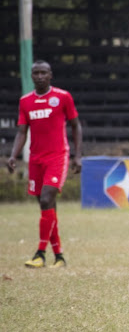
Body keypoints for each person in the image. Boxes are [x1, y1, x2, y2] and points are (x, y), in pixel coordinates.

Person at [7, 60, 82, 269]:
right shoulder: (25, 102)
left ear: (51, 75)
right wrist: (13, 155)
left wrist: (78, 156)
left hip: (57, 156)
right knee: (47, 207)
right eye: (36, 73)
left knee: (47, 199)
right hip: (36, 159)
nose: (39, 76)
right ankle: (59, 256)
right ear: (31, 76)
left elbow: (76, 126)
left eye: (43, 73)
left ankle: (40, 253)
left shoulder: (62, 97)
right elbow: (22, 131)